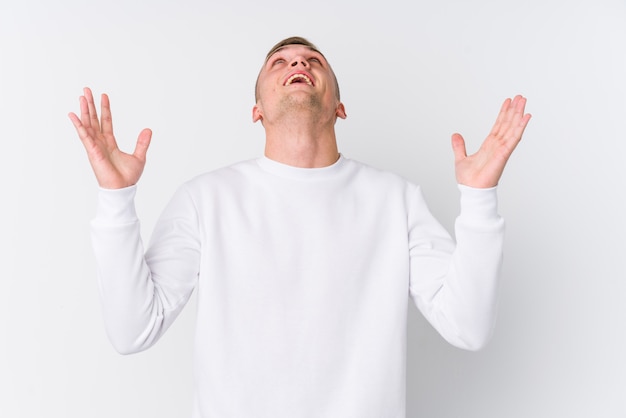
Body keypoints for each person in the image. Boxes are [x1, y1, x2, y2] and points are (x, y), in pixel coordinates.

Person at [68, 36, 531, 418]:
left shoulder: (395, 200)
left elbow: (468, 327)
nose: (298, 64)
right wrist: (115, 199)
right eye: (281, 62)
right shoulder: (206, 199)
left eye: (313, 61)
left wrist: (478, 198)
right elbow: (132, 330)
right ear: (257, 110)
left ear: (340, 106)